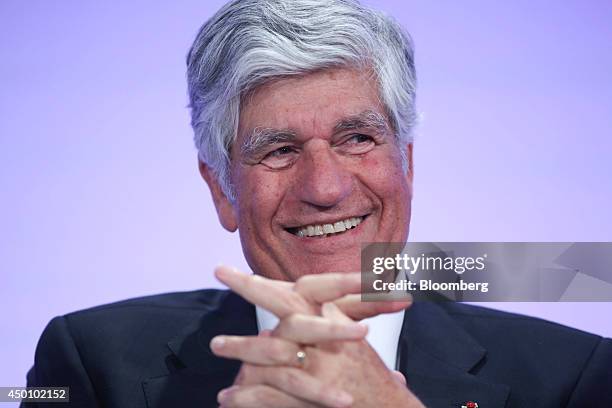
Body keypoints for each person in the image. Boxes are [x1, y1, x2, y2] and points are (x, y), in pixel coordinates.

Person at [23, 0, 612, 407]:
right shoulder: (91, 362)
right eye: (278, 149)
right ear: (221, 190)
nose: (325, 187)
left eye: (357, 138)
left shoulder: (575, 376)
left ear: (405, 164)